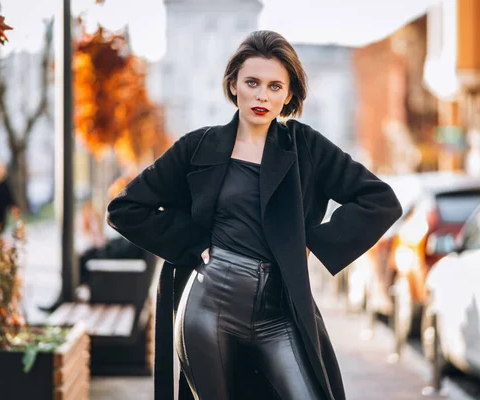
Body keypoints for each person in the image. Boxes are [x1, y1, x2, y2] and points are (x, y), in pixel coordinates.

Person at [107, 30, 402, 400]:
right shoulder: (199, 147)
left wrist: (311, 242)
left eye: (275, 86)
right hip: (208, 307)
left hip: (280, 313)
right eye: (252, 82)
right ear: (234, 86)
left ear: (289, 94)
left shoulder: (305, 147)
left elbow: (380, 200)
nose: (263, 95)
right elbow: (126, 208)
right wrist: (190, 242)